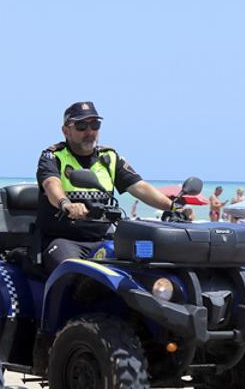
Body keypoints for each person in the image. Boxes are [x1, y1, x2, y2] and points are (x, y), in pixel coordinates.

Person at [37, 101, 175, 274]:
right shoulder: (53, 156)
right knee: (71, 273)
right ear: (66, 130)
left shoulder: (108, 157)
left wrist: (174, 207)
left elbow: (140, 187)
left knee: (143, 268)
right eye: (81, 126)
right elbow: (51, 184)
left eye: (95, 125)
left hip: (104, 239)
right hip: (64, 240)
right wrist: (66, 204)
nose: (89, 132)